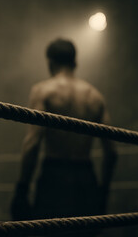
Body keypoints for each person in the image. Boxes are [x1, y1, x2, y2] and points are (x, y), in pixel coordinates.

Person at [11, 38, 118, 223]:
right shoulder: (95, 96)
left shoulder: (43, 91)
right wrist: (103, 193)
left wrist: (22, 188)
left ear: (50, 63)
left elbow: (32, 144)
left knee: (51, 231)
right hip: (86, 177)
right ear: (75, 62)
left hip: (54, 176)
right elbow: (112, 152)